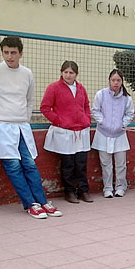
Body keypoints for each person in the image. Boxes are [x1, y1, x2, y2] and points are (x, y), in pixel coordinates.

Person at [0, 36, 61, 219]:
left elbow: (29, 100)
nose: (9, 56)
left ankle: (43, 202)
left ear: (21, 53)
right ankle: (30, 204)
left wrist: (25, 119)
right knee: (13, 166)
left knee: (29, 164)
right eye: (6, 52)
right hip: (0, 126)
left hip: (21, 127)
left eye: (13, 53)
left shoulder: (27, 74)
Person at [40, 61, 92, 204]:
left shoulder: (81, 88)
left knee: (81, 163)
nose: (68, 75)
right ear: (61, 72)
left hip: (81, 131)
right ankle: (69, 192)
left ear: (76, 74)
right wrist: (59, 121)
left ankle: (83, 191)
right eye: (65, 72)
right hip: (65, 131)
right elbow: (45, 108)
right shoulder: (54, 88)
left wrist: (86, 119)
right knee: (68, 164)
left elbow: (86, 105)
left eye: (71, 73)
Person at [91, 69, 134, 198]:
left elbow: (129, 114)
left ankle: (120, 187)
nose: (115, 83)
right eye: (113, 80)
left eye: (118, 80)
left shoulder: (127, 98)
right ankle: (107, 188)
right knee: (105, 163)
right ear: (109, 81)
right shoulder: (101, 94)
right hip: (103, 134)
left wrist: (123, 124)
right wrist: (103, 122)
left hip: (119, 134)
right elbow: (95, 111)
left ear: (122, 82)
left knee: (121, 163)